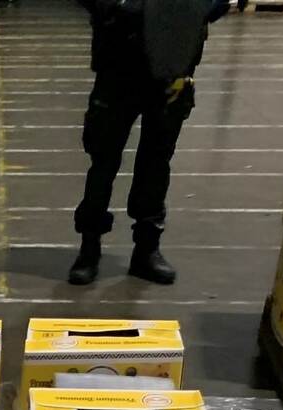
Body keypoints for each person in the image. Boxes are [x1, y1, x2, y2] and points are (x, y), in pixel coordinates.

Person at [69, 0, 231, 287]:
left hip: (173, 65)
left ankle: (147, 247)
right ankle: (89, 246)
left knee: (156, 161)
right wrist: (119, 8)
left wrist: (200, 9)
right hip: (119, 60)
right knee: (103, 160)